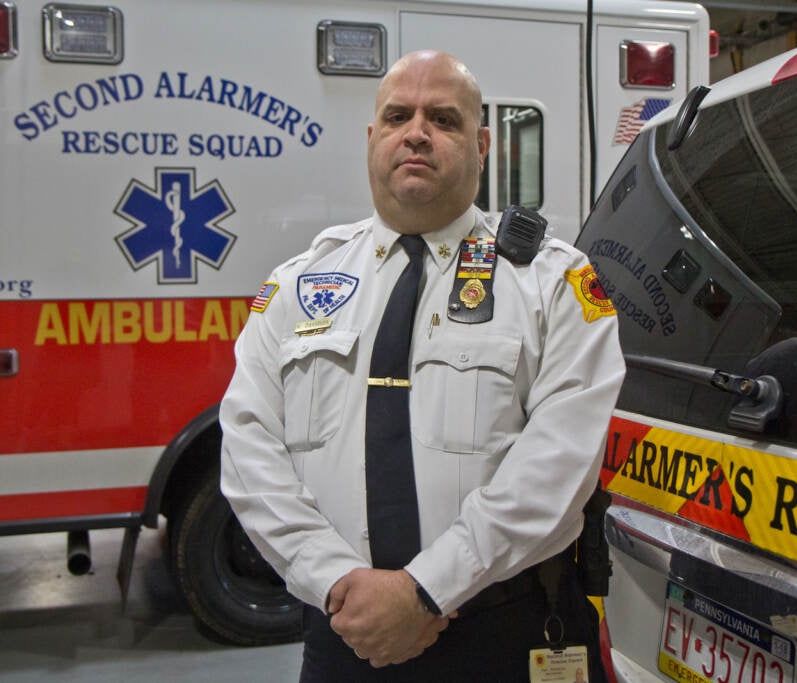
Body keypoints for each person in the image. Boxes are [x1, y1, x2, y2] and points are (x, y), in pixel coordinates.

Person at [220, 50, 625, 682]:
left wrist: (428, 589)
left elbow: (558, 463)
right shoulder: (300, 286)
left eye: (443, 118)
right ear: (372, 138)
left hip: (511, 630)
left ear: (482, 144)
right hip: (348, 633)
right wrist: (336, 582)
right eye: (397, 116)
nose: (417, 132)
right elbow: (249, 449)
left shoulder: (553, 281)